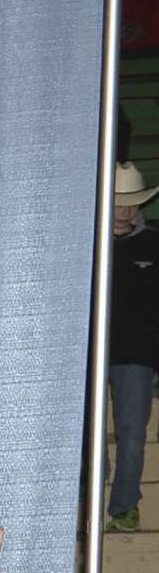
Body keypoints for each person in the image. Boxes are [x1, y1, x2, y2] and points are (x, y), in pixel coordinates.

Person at [107, 165, 159, 530]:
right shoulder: (87, 241)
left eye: (132, 202)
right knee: (85, 434)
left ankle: (125, 507)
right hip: (90, 356)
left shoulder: (153, 241)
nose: (126, 210)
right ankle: (87, 494)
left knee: (132, 434)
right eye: (119, 202)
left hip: (137, 355)